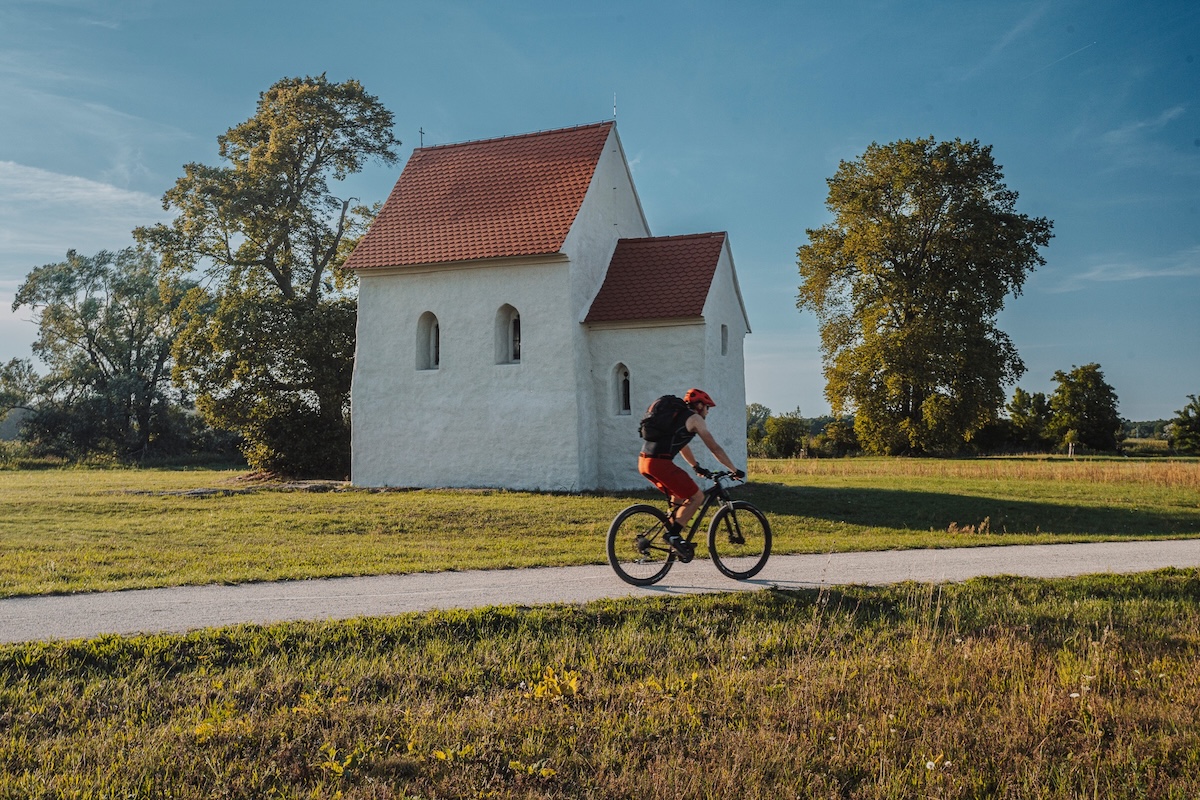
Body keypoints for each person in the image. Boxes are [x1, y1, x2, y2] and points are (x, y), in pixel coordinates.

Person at [638, 388, 745, 562]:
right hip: (660, 464)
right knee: (697, 497)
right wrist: (734, 469)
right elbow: (714, 448)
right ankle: (673, 536)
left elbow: (682, 445)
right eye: (707, 408)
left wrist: (696, 466)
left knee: (679, 499)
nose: (707, 412)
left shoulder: (677, 418)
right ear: (700, 405)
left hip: (644, 462)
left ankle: (672, 538)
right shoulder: (695, 419)